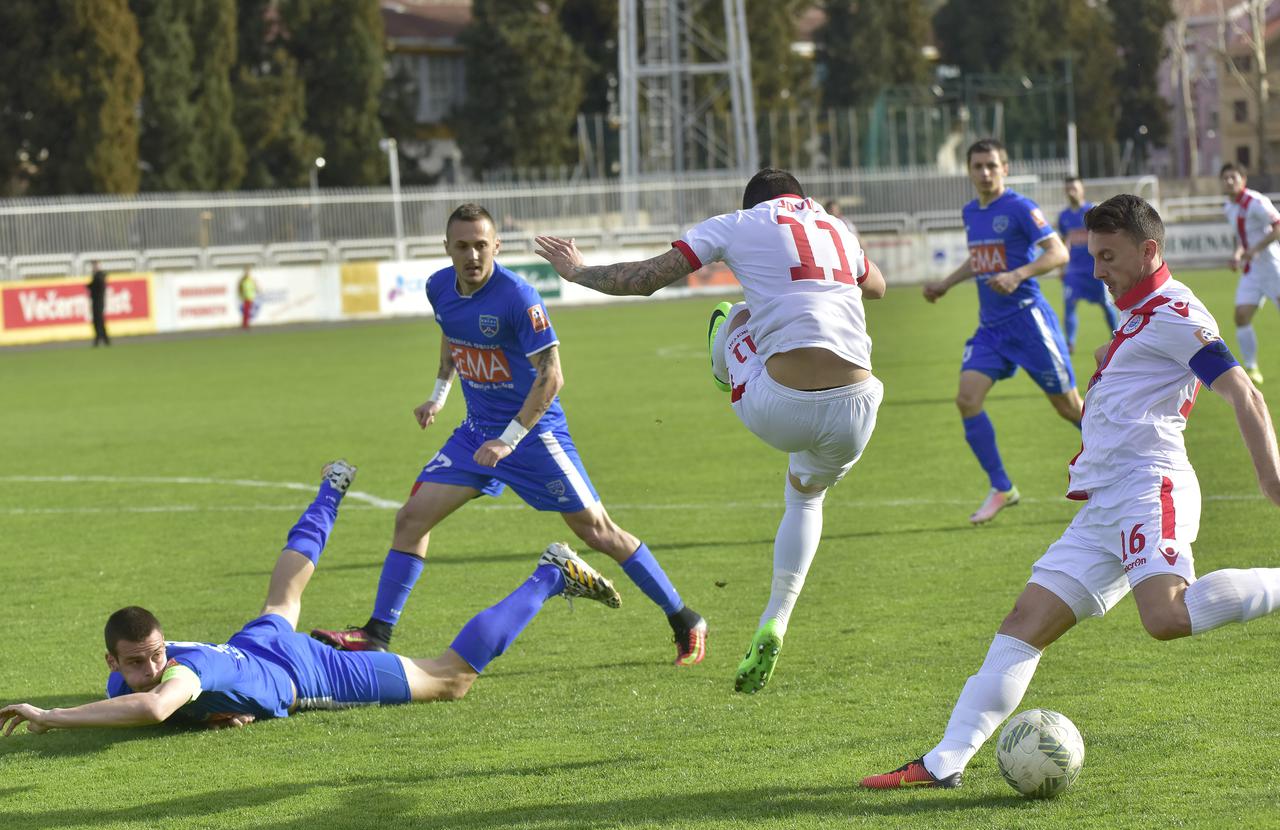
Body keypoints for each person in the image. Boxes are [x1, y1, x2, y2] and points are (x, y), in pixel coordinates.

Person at [861, 194, 1280, 790]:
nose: (1097, 270)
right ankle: (943, 761)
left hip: (1147, 488)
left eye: (1108, 257)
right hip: (1104, 504)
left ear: (1148, 250)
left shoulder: (1179, 312)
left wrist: (1271, 479)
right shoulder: (1138, 315)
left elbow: (1244, 393)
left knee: (1164, 617)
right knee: (1023, 621)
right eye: (1093, 256)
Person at [535, 168, 887, 694]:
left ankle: (723, 366)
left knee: (731, 315)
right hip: (859, 407)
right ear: (802, 197)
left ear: (752, 203)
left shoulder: (738, 223)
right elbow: (876, 287)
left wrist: (579, 271)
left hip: (779, 407)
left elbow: (645, 278)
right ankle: (777, 618)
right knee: (805, 499)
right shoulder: (837, 228)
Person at [311, 204, 707, 666]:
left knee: (598, 532)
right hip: (475, 435)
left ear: (496, 246)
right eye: (462, 246)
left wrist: (511, 438)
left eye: (481, 245)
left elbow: (552, 376)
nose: (472, 255)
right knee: (410, 520)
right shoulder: (439, 287)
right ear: (447, 249)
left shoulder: (518, 297)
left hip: (534, 437)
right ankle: (377, 633)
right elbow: (451, 336)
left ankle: (685, 618)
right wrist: (439, 394)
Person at [0, 460, 622, 736]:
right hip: (252, 648)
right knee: (282, 597)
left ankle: (550, 573)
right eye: (136, 662)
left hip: (302, 670)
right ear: (112, 664)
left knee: (450, 678)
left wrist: (48, 716)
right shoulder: (123, 685)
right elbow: (149, 702)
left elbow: (160, 707)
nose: (149, 669)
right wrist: (224, 710)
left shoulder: (174, 676)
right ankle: (331, 489)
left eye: (156, 655)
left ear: (168, 647)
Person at [924, 139, 1077, 525]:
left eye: (992, 165)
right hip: (992, 329)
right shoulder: (971, 212)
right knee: (967, 399)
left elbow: (1059, 253)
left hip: (1029, 322)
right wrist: (946, 283)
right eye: (978, 166)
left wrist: (1017, 275)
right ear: (969, 172)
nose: (985, 173)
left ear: (1005, 169)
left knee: (1069, 407)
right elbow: (980, 261)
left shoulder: (1021, 208)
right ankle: (1002, 487)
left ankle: (1130, 460)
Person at [1221, 162, 1280, 385]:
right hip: (1252, 271)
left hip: (1273, 267)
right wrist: (1238, 254)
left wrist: (1255, 249)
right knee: (1241, 316)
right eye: (1225, 178)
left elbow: (1278, 226)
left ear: (1243, 180)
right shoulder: (1229, 207)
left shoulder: (1256, 202)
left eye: (1233, 177)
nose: (1229, 181)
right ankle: (1252, 367)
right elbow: (1241, 237)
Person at [1057, 176, 1120, 353]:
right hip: (1074, 271)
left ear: (1082, 190)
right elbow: (1063, 242)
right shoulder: (1063, 217)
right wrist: (1061, 268)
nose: (1071, 192)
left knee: (1106, 304)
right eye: (1068, 188)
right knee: (1069, 305)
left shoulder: (1093, 212)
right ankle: (1069, 343)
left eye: (1074, 188)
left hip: (1095, 268)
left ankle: (1116, 336)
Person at [86, 261, 109, 347]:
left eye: (94, 266)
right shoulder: (97, 276)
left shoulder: (99, 276)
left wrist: (90, 286)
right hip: (96, 301)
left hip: (99, 302)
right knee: (99, 321)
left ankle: (98, 339)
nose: (93, 268)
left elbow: (95, 286)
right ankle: (105, 339)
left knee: (98, 321)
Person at [237, 266, 258, 331]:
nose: (247, 273)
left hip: (250, 297)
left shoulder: (250, 280)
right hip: (245, 297)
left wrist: (257, 290)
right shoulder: (243, 280)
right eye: (246, 271)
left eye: (248, 271)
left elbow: (254, 287)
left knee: (247, 311)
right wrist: (241, 295)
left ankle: (245, 324)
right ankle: (245, 324)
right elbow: (240, 288)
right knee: (246, 311)